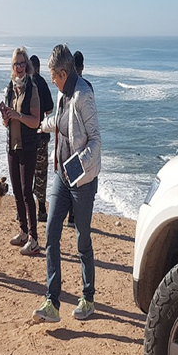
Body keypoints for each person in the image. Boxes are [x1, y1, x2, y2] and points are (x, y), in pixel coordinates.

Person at [32, 44, 101, 322]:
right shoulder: (63, 93)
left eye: (52, 75)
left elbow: (96, 141)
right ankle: (52, 303)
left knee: (82, 240)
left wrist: (75, 166)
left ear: (63, 73)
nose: (50, 80)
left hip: (81, 180)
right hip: (62, 176)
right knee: (51, 235)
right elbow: (59, 123)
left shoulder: (83, 95)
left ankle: (88, 297)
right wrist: (39, 125)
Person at [1, 47, 41, 256]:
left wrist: (18, 115)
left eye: (22, 63)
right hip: (13, 145)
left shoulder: (32, 88)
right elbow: (6, 121)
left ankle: (34, 239)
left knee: (27, 192)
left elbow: (35, 121)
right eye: (16, 64)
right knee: (16, 190)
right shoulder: (10, 88)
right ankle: (23, 232)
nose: (19, 67)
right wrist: (6, 118)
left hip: (28, 146)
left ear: (27, 65)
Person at [65, 51, 92, 227]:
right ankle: (75, 216)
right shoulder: (87, 86)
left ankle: (72, 216)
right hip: (82, 140)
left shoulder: (68, 87)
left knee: (71, 178)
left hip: (70, 139)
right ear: (82, 66)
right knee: (79, 181)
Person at [30, 55, 54, 223]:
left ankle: (24, 209)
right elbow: (50, 108)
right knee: (41, 174)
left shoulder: (24, 83)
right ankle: (41, 210)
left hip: (27, 137)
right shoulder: (42, 83)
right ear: (38, 67)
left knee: (27, 173)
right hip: (41, 135)